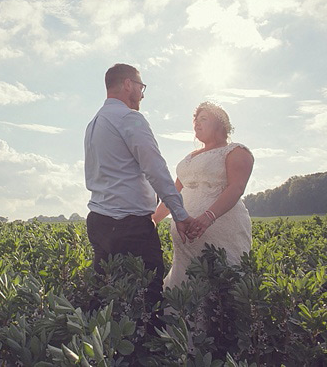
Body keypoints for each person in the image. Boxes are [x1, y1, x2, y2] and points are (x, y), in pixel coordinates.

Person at [84, 63, 197, 333]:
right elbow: (155, 168)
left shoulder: (93, 123)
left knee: (108, 300)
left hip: (98, 222)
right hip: (131, 226)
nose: (142, 94)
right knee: (150, 301)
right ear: (127, 85)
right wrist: (180, 215)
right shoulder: (129, 119)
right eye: (140, 86)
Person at [152, 101, 254, 291]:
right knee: (184, 294)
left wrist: (208, 217)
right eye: (195, 120)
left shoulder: (236, 151)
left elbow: (236, 187)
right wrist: (154, 219)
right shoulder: (190, 157)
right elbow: (174, 193)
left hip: (222, 231)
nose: (197, 124)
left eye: (204, 119)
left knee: (220, 291)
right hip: (186, 240)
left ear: (220, 123)